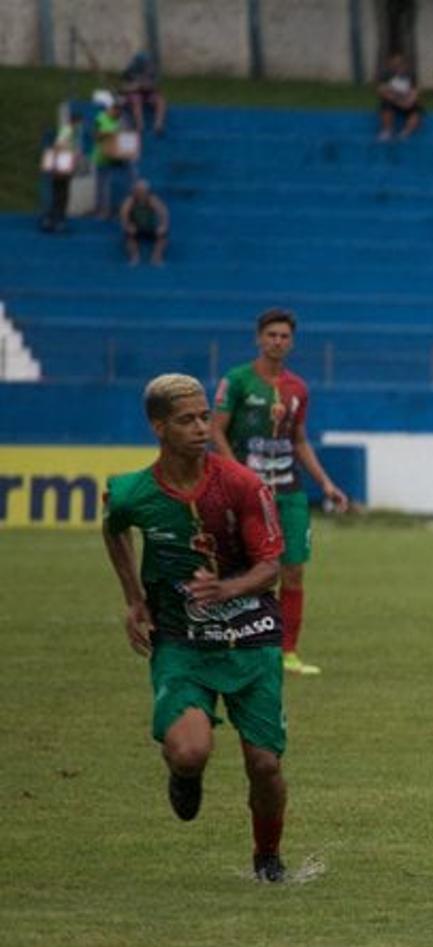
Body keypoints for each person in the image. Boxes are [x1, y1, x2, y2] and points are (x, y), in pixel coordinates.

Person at [102, 374, 292, 883]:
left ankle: (267, 858)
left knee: (266, 766)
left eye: (205, 416)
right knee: (189, 752)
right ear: (158, 426)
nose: (201, 427)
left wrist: (228, 590)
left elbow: (271, 565)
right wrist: (133, 599)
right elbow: (114, 527)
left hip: (251, 636)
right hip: (182, 641)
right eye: (187, 420)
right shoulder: (132, 493)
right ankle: (184, 777)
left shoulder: (242, 484)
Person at [210, 309, 347, 676]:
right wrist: (236, 474)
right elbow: (215, 430)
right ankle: (231, 640)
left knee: (294, 571)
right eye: (271, 334)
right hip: (247, 494)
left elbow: (299, 439)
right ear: (258, 337)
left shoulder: (297, 388)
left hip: (289, 491)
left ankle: (287, 652)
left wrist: (326, 484)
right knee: (243, 568)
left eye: (284, 336)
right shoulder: (237, 381)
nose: (277, 341)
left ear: (292, 341)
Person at [90, 95, 132, 217]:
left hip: (119, 156)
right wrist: (111, 133)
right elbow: (95, 135)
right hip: (102, 156)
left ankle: (125, 209)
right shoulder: (100, 118)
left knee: (125, 181)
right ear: (112, 109)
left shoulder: (123, 120)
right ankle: (101, 209)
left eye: (121, 110)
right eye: (117, 109)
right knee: (101, 185)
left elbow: (129, 136)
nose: (119, 112)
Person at [39, 111, 80, 234]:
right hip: (62, 165)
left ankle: (53, 219)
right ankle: (55, 220)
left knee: (59, 192)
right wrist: (57, 164)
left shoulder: (69, 131)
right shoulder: (67, 130)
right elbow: (58, 146)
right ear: (76, 122)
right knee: (61, 193)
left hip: (63, 164)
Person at [119, 179, 169, 266]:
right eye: (139, 190)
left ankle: (156, 257)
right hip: (136, 227)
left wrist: (163, 225)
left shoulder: (152, 200)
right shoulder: (130, 201)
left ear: (147, 191)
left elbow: (164, 212)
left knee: (163, 236)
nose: (141, 193)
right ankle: (134, 257)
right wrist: (127, 226)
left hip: (150, 226)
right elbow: (123, 215)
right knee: (129, 236)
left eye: (143, 191)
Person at [377, 53, 423, 141]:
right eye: (395, 65)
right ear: (391, 66)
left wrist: (410, 101)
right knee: (386, 106)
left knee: (416, 111)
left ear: (406, 66)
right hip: (393, 101)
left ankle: (406, 132)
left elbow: (415, 91)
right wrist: (398, 101)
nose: (398, 67)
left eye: (401, 64)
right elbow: (382, 91)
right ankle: (387, 130)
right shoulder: (386, 76)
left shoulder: (411, 76)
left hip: (407, 101)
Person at [121, 51, 167, 136]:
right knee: (136, 98)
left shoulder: (151, 72)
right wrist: (136, 86)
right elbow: (124, 87)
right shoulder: (130, 71)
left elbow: (156, 87)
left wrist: (149, 86)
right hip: (133, 95)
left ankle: (158, 125)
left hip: (147, 94)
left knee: (160, 99)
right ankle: (140, 125)